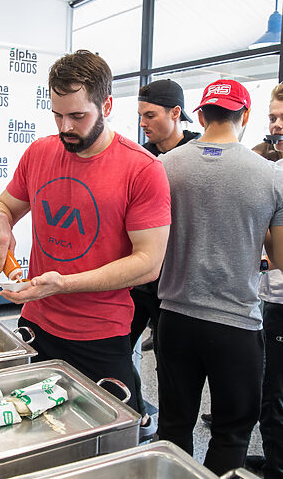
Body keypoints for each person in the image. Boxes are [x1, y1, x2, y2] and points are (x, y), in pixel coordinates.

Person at [0, 50, 171, 410]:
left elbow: (148, 263)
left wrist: (65, 283)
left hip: (100, 334)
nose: (65, 127)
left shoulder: (143, 169)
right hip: (36, 323)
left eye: (78, 116)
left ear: (107, 105)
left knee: (104, 435)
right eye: (57, 115)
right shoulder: (39, 153)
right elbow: (5, 204)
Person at [156, 79, 283, 475]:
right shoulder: (271, 176)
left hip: (174, 317)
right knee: (231, 433)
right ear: (245, 115)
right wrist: (253, 224)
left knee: (173, 426)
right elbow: (280, 259)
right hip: (235, 325)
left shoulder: (165, 166)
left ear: (200, 116)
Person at [132, 80, 200, 439]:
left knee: (171, 366)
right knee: (115, 348)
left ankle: (172, 436)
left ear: (176, 113)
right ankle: (136, 414)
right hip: (139, 277)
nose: (143, 123)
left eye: (150, 115)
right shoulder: (140, 157)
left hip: (175, 283)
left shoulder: (199, 154)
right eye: (140, 115)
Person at [245, 81, 283, 479]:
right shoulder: (276, 170)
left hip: (282, 302)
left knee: (274, 393)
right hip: (273, 297)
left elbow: (279, 255)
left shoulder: (277, 176)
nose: (276, 126)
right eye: (273, 117)